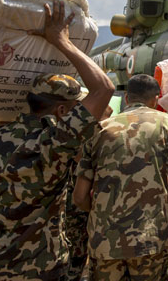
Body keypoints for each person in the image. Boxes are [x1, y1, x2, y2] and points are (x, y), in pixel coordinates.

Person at [0, 0, 115, 280]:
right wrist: (59, 40)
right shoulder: (54, 144)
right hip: (37, 268)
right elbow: (104, 89)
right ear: (61, 111)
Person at [73, 74, 168, 280]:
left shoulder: (99, 129)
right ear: (156, 99)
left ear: (126, 98)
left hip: (105, 239)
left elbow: (80, 197)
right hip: (151, 238)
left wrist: (104, 212)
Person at [64, 105, 113, 281]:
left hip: (89, 195)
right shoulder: (71, 131)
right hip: (75, 197)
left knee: (89, 243)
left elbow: (107, 110)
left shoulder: (93, 129)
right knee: (75, 244)